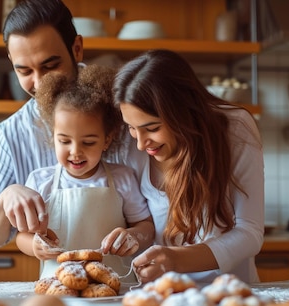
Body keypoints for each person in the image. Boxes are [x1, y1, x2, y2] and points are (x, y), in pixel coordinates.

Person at [0, 0, 137, 250]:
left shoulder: (126, 113)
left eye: (50, 66)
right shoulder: (15, 133)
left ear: (76, 48)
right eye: (24, 71)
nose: (39, 83)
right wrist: (6, 197)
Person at [113, 49, 265, 284]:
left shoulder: (234, 128)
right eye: (132, 128)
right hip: (162, 296)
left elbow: (249, 233)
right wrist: (133, 235)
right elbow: (144, 222)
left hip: (229, 294)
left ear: (183, 113)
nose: (141, 143)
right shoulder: (130, 144)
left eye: (152, 128)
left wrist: (175, 259)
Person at [15, 64, 155, 279]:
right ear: (53, 137)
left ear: (106, 140)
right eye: (64, 141)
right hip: (58, 285)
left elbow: (146, 227)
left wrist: (133, 236)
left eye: (88, 142)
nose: (75, 152)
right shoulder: (41, 181)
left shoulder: (122, 178)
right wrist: (34, 246)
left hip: (114, 285)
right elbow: (21, 236)